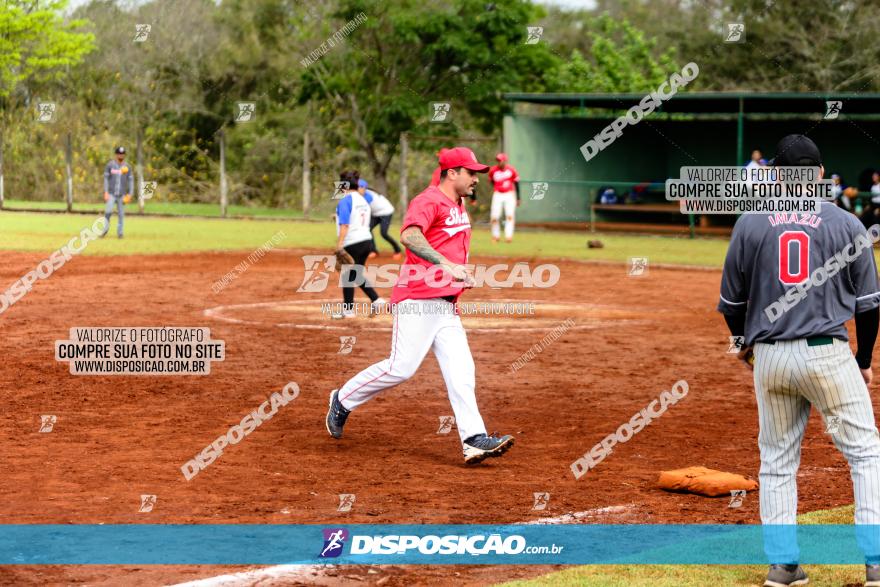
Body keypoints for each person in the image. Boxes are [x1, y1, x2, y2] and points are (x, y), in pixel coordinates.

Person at [718, 134, 880, 587]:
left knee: (776, 461)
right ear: (820, 175)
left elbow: (731, 305)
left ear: (774, 174)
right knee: (865, 454)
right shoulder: (848, 223)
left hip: (769, 356)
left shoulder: (750, 223)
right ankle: (875, 563)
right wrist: (863, 359)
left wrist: (744, 347)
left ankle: (783, 565)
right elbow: (869, 304)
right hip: (828, 352)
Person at [326, 147, 514, 464]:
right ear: (452, 173)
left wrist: (458, 272)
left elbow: (449, 237)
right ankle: (342, 399)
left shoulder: (457, 201)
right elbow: (411, 236)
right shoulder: (428, 201)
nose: (476, 179)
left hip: (445, 305)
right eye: (471, 173)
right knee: (401, 368)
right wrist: (446, 265)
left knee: (462, 371)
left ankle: (474, 439)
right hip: (417, 299)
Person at [334, 170, 384, 318]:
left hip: (352, 241)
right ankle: (376, 300)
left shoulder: (345, 200)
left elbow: (345, 225)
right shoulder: (363, 200)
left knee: (347, 275)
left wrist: (339, 244)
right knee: (355, 274)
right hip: (366, 241)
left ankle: (348, 310)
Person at [359, 179, 402, 260]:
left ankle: (397, 250)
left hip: (386, 212)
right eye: (357, 187)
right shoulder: (360, 195)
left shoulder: (368, 196)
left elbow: (363, 209)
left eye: (361, 187)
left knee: (384, 233)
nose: (359, 189)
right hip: (375, 214)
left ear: (365, 188)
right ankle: (373, 251)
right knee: (367, 229)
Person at [101, 146, 134, 239]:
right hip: (111, 193)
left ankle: (120, 233)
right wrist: (106, 192)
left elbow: (131, 181)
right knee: (108, 212)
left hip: (122, 195)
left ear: (124, 155)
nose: (121, 155)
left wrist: (130, 194)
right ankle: (104, 230)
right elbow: (106, 179)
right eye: (119, 154)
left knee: (121, 214)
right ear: (116, 154)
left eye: (122, 154)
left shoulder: (127, 167)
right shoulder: (110, 165)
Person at [488, 153, 520, 243]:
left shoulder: (511, 170)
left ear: (505, 161)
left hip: (509, 194)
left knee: (509, 215)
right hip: (498, 194)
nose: (499, 162)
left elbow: (517, 183)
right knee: (495, 216)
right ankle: (495, 236)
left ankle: (508, 236)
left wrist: (518, 198)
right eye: (498, 160)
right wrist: (498, 188)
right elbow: (491, 181)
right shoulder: (493, 170)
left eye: (501, 160)